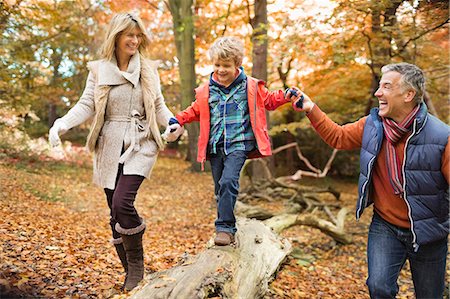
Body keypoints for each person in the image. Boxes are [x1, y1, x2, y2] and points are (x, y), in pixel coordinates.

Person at [48, 13, 183, 291]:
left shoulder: (147, 69)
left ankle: (136, 266)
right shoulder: (98, 70)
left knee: (123, 203)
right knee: (114, 213)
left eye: (138, 35)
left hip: (140, 141)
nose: (134, 40)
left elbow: (157, 105)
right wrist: (62, 123)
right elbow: (87, 104)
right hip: (108, 143)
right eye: (129, 34)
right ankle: (129, 273)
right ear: (117, 36)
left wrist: (173, 123)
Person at [291, 62, 449, 299]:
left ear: (408, 95)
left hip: (429, 231)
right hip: (386, 225)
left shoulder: (441, 136)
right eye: (379, 86)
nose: (377, 93)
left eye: (386, 87)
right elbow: (338, 136)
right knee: (379, 287)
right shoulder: (372, 126)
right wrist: (310, 108)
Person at [163, 36, 298, 246]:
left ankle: (224, 227)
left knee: (228, 182)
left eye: (226, 65)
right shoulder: (208, 90)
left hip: (239, 145)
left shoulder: (250, 87)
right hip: (215, 146)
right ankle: (229, 226)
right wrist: (178, 119)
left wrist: (287, 95)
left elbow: (270, 100)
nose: (221, 70)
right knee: (220, 189)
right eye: (217, 65)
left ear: (237, 64)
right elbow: (195, 110)